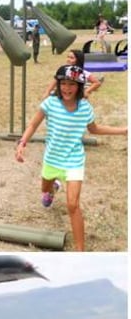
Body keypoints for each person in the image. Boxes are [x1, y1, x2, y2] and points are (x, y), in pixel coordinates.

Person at [15, 64, 128, 251]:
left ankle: (80, 251)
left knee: (73, 204)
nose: (67, 88)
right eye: (64, 84)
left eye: (72, 84)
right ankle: (52, 190)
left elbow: (94, 129)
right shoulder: (50, 103)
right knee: (45, 187)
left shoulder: (84, 108)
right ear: (58, 85)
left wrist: (123, 131)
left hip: (74, 160)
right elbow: (33, 125)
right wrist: (22, 143)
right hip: (52, 159)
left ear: (80, 86)